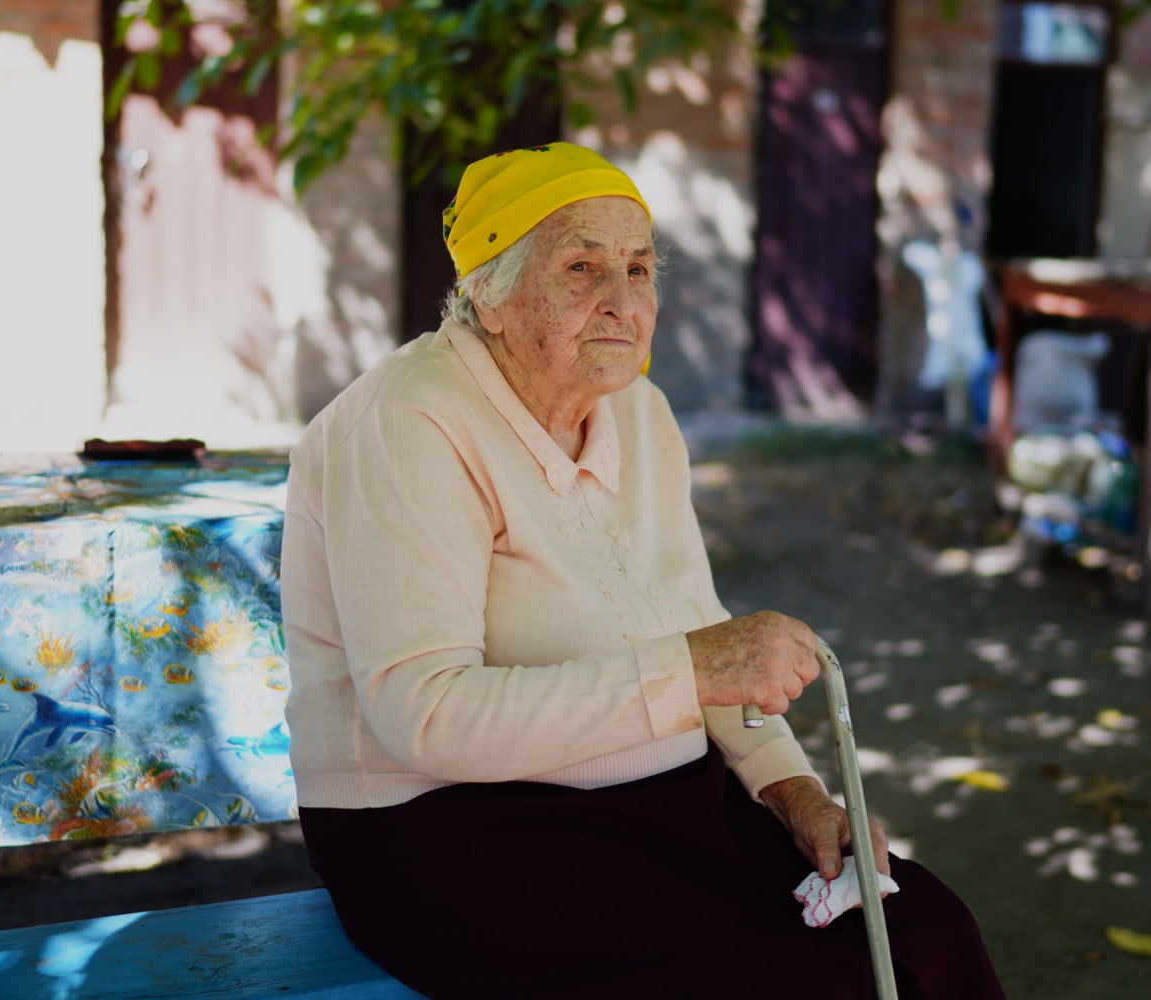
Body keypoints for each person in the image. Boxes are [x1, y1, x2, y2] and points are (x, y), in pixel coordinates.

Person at [279, 142, 1005, 998]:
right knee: (759, 982)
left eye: (639, 268)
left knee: (922, 930)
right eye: (582, 268)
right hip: (445, 824)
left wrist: (793, 790)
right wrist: (690, 671)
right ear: (491, 294)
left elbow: (698, 629)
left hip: (651, 797)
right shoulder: (412, 419)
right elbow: (424, 715)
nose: (624, 302)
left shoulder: (642, 413)